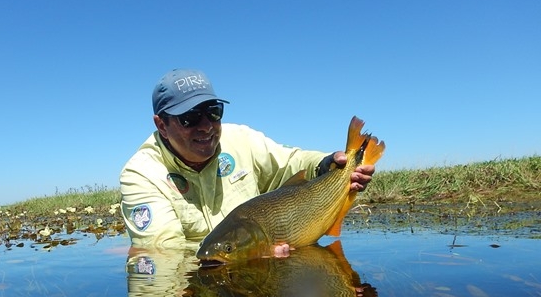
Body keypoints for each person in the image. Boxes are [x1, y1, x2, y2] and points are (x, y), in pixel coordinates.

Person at [119, 68, 376, 249]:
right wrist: (250, 255)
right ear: (161, 125)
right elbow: (164, 253)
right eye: (190, 117)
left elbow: (291, 162)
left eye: (213, 112)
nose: (206, 126)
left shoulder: (242, 139)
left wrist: (328, 164)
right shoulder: (141, 174)